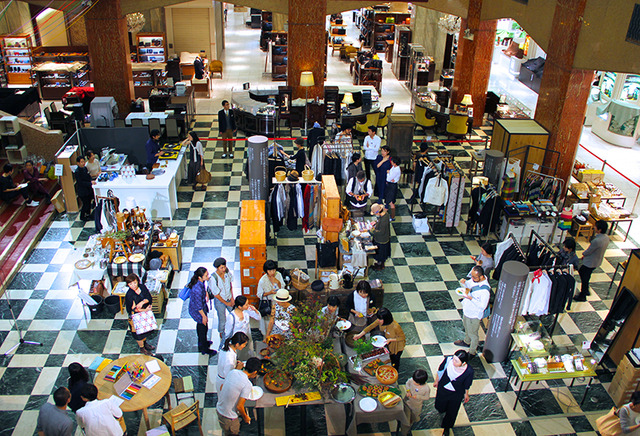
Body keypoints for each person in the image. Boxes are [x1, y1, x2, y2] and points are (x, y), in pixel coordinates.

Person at [216, 357, 261, 436]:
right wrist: (246, 417)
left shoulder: (233, 372)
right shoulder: (247, 384)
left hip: (219, 409)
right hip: (229, 418)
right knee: (233, 433)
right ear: (255, 372)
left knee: (226, 432)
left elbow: (222, 387)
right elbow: (240, 406)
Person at [434, 350, 474, 436]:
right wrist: (436, 380)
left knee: (452, 412)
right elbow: (440, 370)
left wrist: (466, 394)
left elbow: (467, 384)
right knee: (440, 406)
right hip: (443, 389)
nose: (453, 362)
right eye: (453, 359)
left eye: (456, 361)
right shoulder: (448, 360)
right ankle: (441, 409)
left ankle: (446, 428)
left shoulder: (469, 371)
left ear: (463, 363)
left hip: (456, 394)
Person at [455, 266, 490, 357]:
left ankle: (472, 351)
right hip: (467, 309)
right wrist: (464, 283)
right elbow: (469, 286)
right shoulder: (474, 280)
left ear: (481, 277)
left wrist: (471, 298)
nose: (472, 279)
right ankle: (467, 341)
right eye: (472, 276)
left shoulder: (485, 291)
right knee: (466, 326)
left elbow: (483, 306)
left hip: (474, 314)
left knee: (473, 334)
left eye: (475, 277)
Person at [575, 220, 610, 301]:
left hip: (590, 262)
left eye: (596, 226)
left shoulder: (596, 241)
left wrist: (583, 253)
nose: (594, 227)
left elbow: (589, 251)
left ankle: (583, 294)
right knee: (586, 274)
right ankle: (586, 290)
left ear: (599, 229)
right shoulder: (606, 238)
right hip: (597, 261)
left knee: (584, 276)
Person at [124, 273, 155, 356]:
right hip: (136, 316)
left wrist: (143, 302)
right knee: (139, 334)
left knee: (145, 331)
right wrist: (145, 310)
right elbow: (134, 309)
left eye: (134, 283)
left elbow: (149, 297)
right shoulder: (129, 295)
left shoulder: (142, 287)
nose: (133, 285)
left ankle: (145, 344)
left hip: (145, 313)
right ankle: (142, 348)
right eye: (130, 284)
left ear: (137, 281)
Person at [188, 267, 217, 356]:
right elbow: (198, 306)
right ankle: (204, 348)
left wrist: (206, 293)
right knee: (203, 328)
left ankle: (202, 342)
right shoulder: (197, 289)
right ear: (200, 277)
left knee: (202, 327)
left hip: (199, 308)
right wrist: (204, 316)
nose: (208, 277)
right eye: (206, 275)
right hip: (198, 312)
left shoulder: (200, 282)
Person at [224, 295, 261, 359]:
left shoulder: (247, 310)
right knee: (239, 355)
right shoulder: (231, 317)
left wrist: (255, 310)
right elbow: (227, 331)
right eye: (246, 304)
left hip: (247, 336)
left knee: (249, 351)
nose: (248, 305)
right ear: (240, 307)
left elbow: (258, 317)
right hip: (238, 340)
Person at [210, 257, 234, 340]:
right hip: (220, 301)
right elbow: (216, 295)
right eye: (221, 268)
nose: (224, 269)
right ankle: (221, 331)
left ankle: (234, 329)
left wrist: (232, 299)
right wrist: (226, 303)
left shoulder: (227, 272)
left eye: (224, 267)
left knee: (234, 313)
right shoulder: (213, 278)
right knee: (222, 317)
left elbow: (230, 285)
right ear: (217, 268)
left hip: (228, 297)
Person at [257, 260, 283, 333]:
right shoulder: (263, 280)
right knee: (268, 321)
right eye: (270, 270)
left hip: (277, 301)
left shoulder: (278, 275)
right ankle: (267, 335)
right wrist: (269, 292)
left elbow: (282, 287)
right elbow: (259, 294)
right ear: (266, 271)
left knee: (277, 319)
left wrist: (278, 282)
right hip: (268, 302)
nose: (272, 272)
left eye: (274, 270)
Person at [370, 203, 391, 270]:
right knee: (380, 254)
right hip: (383, 238)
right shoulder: (385, 215)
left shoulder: (384, 220)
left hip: (381, 240)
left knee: (380, 254)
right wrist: (376, 222)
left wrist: (372, 231)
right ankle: (379, 263)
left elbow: (381, 232)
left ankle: (380, 266)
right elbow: (380, 222)